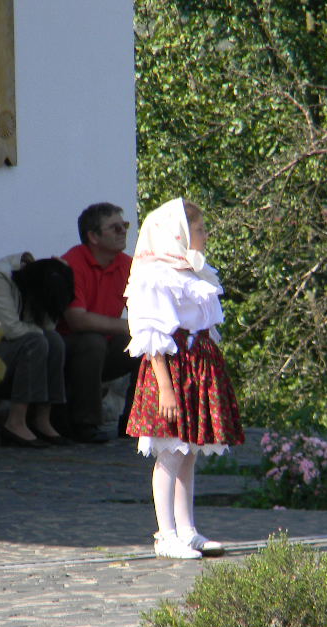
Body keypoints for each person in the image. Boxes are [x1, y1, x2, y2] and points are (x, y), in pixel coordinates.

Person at [124, 198, 245, 559]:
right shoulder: (155, 276)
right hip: (173, 371)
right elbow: (152, 339)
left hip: (197, 368)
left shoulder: (196, 273)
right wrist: (165, 388)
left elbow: (205, 327)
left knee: (189, 452)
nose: (205, 235)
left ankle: (187, 529)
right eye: (200, 229)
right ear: (177, 233)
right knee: (170, 452)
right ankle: (166, 534)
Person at [0, 253, 76, 448]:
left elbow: (48, 328)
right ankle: (15, 422)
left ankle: (42, 419)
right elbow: (12, 329)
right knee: (35, 342)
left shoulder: (37, 279)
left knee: (55, 341)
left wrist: (62, 276)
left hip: (7, 348)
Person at [58, 202, 139, 443]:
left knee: (146, 343)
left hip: (103, 348)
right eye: (114, 228)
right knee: (93, 341)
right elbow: (77, 320)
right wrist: (129, 326)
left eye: (123, 226)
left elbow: (142, 310)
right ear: (93, 236)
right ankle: (85, 424)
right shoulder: (72, 263)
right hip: (67, 351)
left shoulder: (127, 265)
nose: (123, 231)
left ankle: (135, 421)